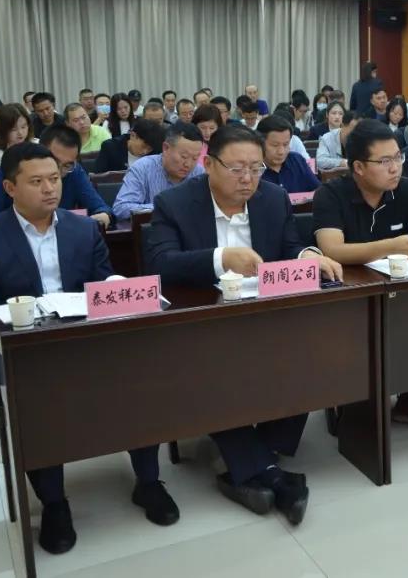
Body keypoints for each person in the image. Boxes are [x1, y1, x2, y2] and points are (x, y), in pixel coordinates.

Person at [0, 142, 178, 555]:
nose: (50, 189)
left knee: (141, 382)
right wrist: (21, 328)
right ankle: (55, 503)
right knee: (37, 405)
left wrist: (118, 288)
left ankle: (148, 482)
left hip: (86, 341)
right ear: (9, 187)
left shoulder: (82, 230)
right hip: (27, 351)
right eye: (36, 181)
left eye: (54, 179)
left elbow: (101, 282)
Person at [145, 125, 340, 526]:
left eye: (256, 168)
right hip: (205, 324)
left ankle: (252, 462)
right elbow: (161, 264)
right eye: (237, 169)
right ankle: (269, 473)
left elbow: (290, 247)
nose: (248, 178)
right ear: (209, 164)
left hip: (268, 317)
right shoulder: (173, 203)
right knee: (210, 370)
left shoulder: (273, 198)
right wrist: (221, 258)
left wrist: (307, 255)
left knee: (315, 354)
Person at [313, 120, 408, 431]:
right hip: (349, 297)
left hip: (402, 290)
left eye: (398, 157)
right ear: (358, 167)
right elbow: (332, 250)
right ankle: (351, 404)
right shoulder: (330, 194)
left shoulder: (407, 189)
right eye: (384, 161)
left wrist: (406, 249)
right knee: (354, 339)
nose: (395, 167)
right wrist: (393, 246)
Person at [0, 125, 113, 228]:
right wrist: (29, 223)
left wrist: (104, 215)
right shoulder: (10, 170)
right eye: (55, 161)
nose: (58, 171)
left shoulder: (74, 171)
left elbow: (100, 207)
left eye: (67, 165)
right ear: (40, 149)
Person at [112, 122, 205, 219]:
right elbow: (121, 208)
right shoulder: (143, 168)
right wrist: (163, 207)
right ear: (166, 148)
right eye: (184, 156)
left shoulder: (199, 173)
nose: (188, 164)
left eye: (195, 158)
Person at [257, 115, 320, 194]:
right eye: (275, 145)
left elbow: (318, 189)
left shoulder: (297, 160)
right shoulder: (253, 169)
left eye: (286, 144)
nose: (281, 152)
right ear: (260, 143)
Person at [94, 118, 165, 174]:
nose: (145, 152)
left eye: (149, 149)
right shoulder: (110, 147)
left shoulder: (156, 151)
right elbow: (98, 178)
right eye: (143, 146)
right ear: (133, 135)